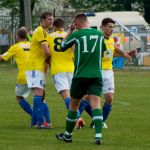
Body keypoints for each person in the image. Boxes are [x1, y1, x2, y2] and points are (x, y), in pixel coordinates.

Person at [55, 13, 106, 145]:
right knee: (96, 105)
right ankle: (98, 136)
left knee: (73, 106)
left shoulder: (77, 34)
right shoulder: (99, 34)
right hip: (96, 75)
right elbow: (103, 53)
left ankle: (68, 136)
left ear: (76, 24)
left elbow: (62, 46)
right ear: (87, 21)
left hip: (80, 75)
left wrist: (71, 31)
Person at [77, 17, 133, 129]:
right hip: (97, 71)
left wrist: (125, 54)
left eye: (113, 27)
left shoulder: (111, 39)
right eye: (109, 27)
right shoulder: (97, 38)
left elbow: (114, 47)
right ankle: (75, 117)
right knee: (87, 97)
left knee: (109, 98)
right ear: (103, 27)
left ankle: (99, 122)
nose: (112, 29)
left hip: (109, 72)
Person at [48, 18, 86, 126]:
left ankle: (77, 118)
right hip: (71, 69)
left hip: (58, 69)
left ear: (54, 26)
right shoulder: (69, 35)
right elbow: (75, 51)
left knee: (67, 97)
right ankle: (77, 117)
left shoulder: (49, 36)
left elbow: (47, 52)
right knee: (74, 97)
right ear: (63, 26)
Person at [26, 12, 53, 128]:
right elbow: (46, 52)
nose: (51, 21)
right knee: (39, 93)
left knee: (40, 94)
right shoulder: (41, 31)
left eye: (52, 19)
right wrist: (54, 61)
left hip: (38, 66)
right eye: (49, 19)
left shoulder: (44, 32)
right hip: (34, 66)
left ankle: (35, 122)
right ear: (42, 20)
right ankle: (40, 123)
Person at [0, 27, 33, 120]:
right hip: (36, 75)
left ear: (17, 36)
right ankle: (44, 120)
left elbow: (2, 57)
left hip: (23, 76)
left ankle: (33, 115)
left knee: (19, 97)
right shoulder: (32, 45)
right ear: (27, 36)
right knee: (39, 98)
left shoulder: (15, 47)